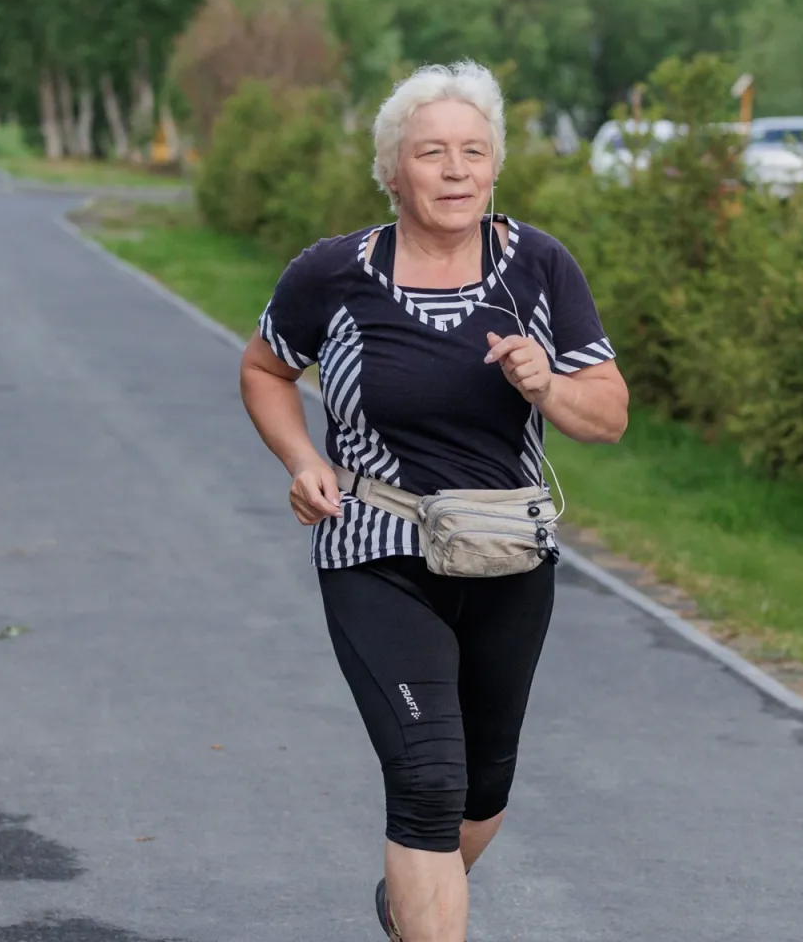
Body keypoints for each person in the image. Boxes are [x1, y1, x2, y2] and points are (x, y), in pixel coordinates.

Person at [238, 60, 629, 942]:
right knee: (425, 781)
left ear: (495, 167)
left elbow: (609, 415)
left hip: (505, 553)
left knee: (482, 787)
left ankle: (408, 906)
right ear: (392, 171)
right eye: (431, 153)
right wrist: (303, 460)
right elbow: (265, 368)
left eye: (473, 152)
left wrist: (548, 388)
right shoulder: (334, 274)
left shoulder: (538, 265)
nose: (454, 170)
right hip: (375, 543)